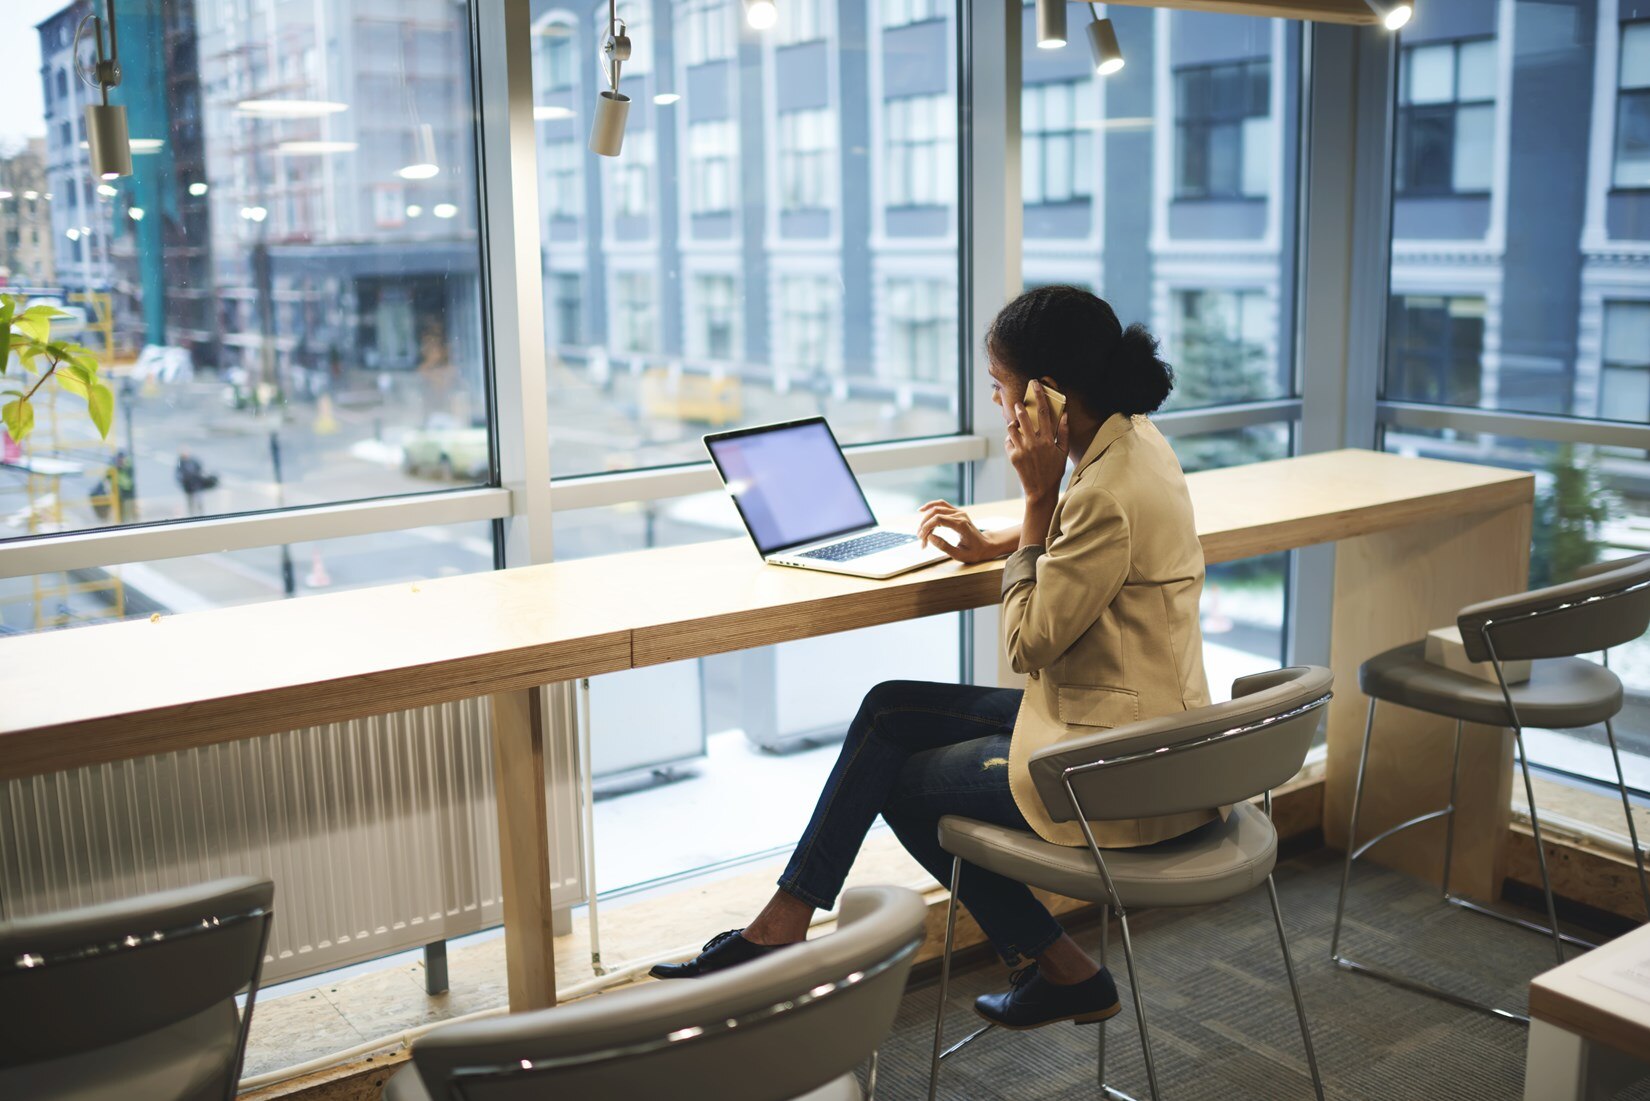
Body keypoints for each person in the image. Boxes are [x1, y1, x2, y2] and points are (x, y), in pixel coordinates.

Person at [652, 286, 1212, 1031]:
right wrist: (1011, 537)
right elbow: (1092, 552)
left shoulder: (1097, 491)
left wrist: (1036, 505)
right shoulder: (1135, 444)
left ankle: (1055, 965)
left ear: (1046, 397)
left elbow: (1025, 644)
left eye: (1001, 389)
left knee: (903, 785)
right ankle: (783, 924)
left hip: (1111, 763)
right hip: (1137, 719)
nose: (1000, 407)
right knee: (890, 709)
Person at [175, 449, 216, 516]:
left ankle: (201, 514)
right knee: (190, 501)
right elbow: (178, 474)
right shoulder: (180, 463)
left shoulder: (193, 461)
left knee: (199, 500)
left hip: (197, 484)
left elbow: (201, 469)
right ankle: (192, 514)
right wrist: (182, 481)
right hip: (188, 486)